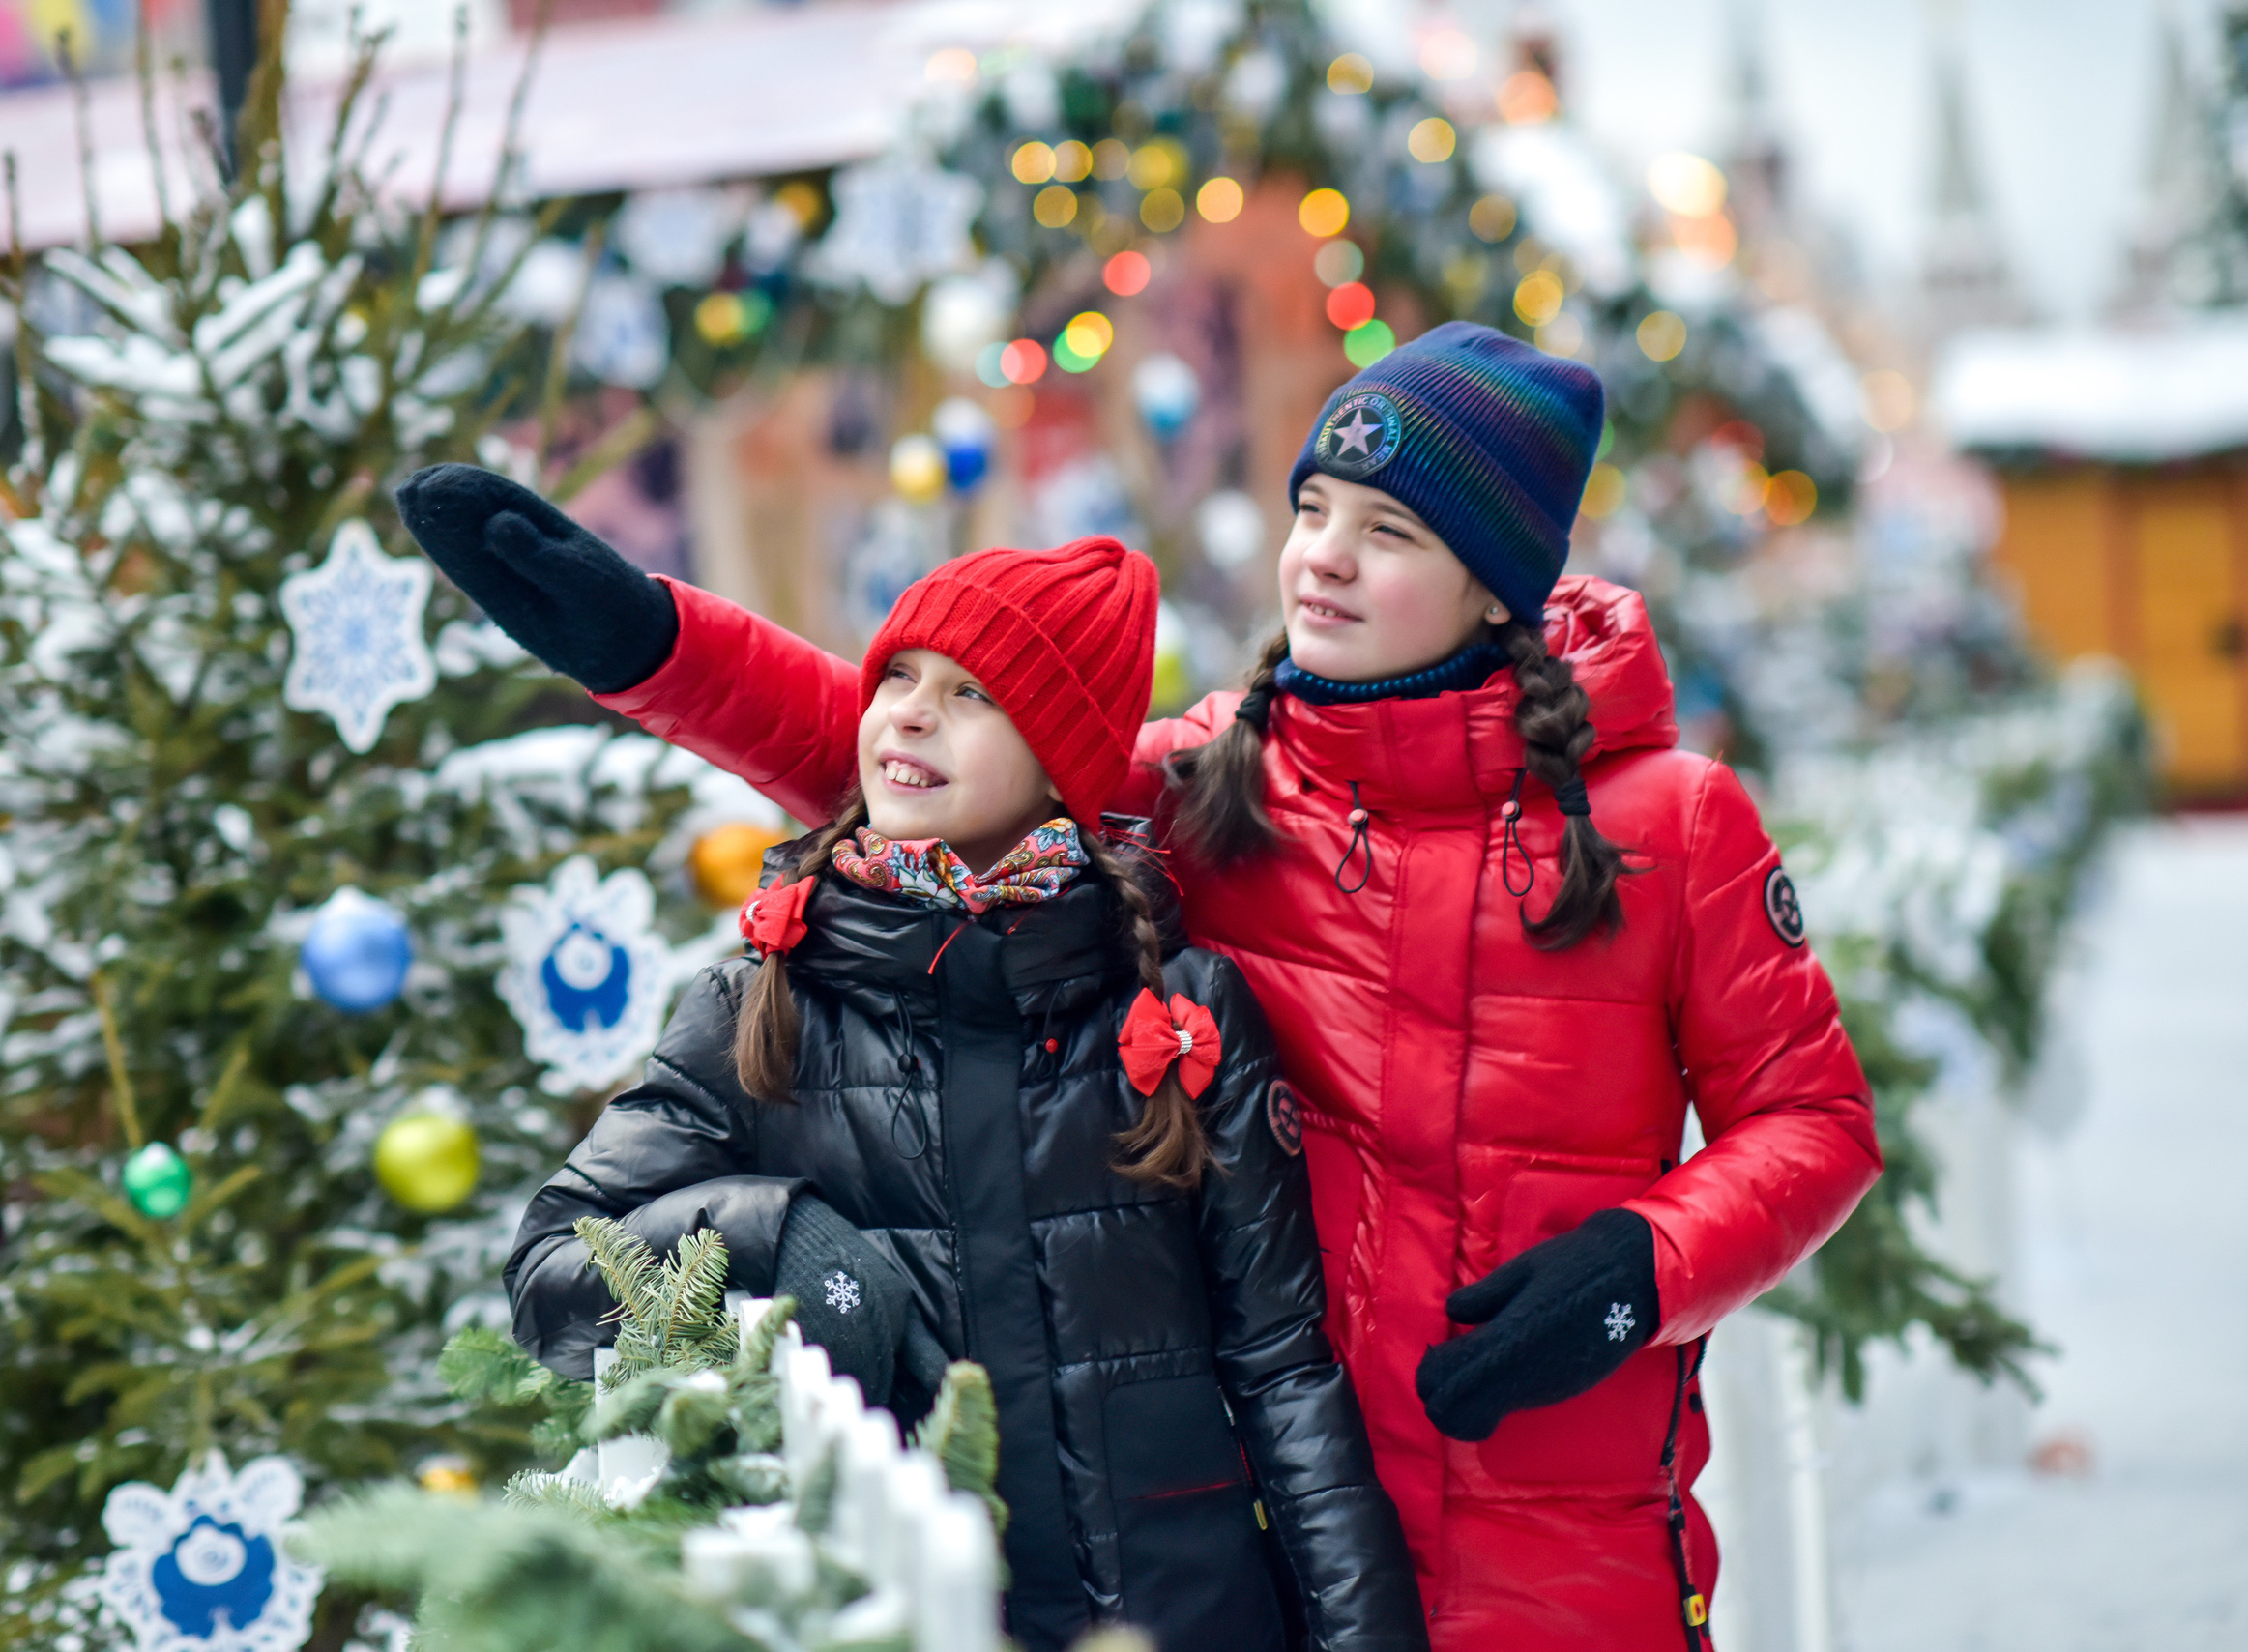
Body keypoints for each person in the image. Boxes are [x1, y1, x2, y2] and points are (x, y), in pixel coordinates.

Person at [401, 321, 1883, 1650]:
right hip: (1284, 1536)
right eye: (1313, 511)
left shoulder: (1671, 824)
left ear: (1498, 588)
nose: (1323, 559)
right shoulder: (1219, 785)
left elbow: (1814, 1122)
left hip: (1558, 1538)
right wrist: (651, 642)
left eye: (1390, 533)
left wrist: (1646, 1270)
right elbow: (955, 770)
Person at [499, 539, 1428, 1652]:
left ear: (1062, 763)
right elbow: (552, 1269)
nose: (911, 714)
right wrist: (777, 1237)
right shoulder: (766, 996)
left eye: (972, 693)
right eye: (896, 675)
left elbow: (1282, 1367)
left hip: (1184, 1614)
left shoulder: (1180, 1007)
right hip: (891, 1614)